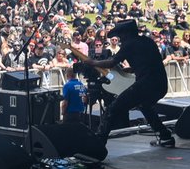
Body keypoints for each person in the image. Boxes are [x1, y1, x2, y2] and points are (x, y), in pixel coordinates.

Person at [69, 19, 175, 148]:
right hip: (160, 84)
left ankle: (98, 145)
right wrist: (130, 69)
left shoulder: (129, 44)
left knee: (112, 109)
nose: (119, 39)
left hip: (146, 84)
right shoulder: (148, 41)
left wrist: (93, 63)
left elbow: (111, 63)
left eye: (120, 35)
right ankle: (165, 136)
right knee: (145, 106)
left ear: (125, 34)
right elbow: (149, 62)